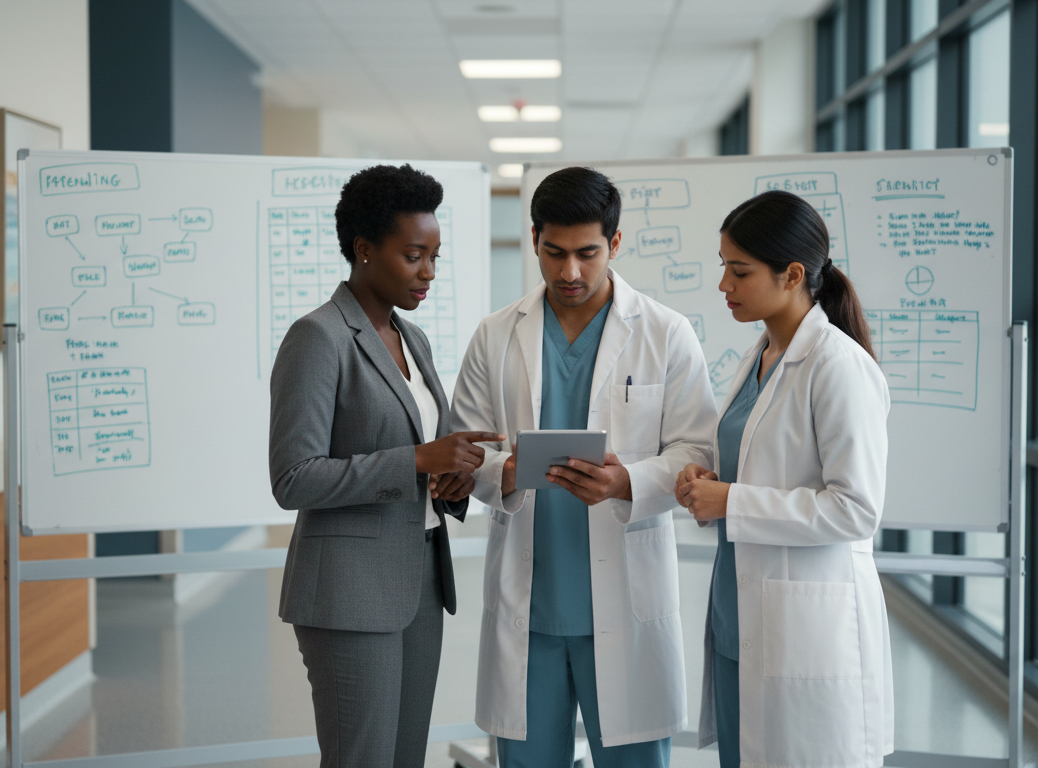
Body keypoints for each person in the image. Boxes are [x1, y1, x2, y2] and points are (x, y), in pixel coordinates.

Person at [450, 166, 718, 767]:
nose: (569, 272)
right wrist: (506, 474)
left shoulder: (667, 334)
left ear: (615, 245)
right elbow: (463, 448)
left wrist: (629, 480)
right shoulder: (496, 336)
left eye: (587, 254)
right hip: (531, 610)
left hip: (625, 601)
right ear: (536, 241)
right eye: (554, 253)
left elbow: (697, 451)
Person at [269, 164, 506, 768]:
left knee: (404, 758)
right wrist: (419, 459)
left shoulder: (413, 338)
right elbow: (293, 478)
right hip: (348, 591)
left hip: (419, 582)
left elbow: (424, 462)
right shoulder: (317, 338)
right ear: (364, 250)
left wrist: (450, 479)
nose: (428, 272)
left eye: (434, 255)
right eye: (413, 255)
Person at [674, 189, 893, 768]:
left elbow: (856, 510)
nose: (724, 285)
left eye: (739, 271)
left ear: (793, 274)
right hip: (738, 611)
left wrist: (733, 501)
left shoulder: (839, 367)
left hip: (804, 623)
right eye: (724, 267)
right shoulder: (760, 355)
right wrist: (709, 480)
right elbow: (763, 462)